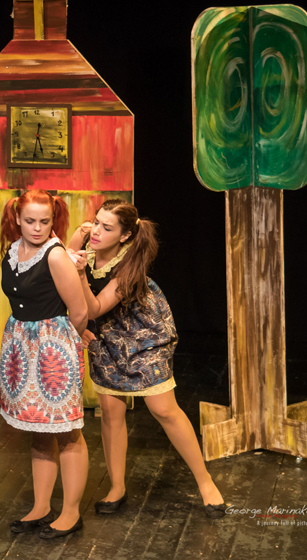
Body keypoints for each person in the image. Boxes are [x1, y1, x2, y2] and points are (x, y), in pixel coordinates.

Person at [66, 198, 226, 518]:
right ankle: (117, 487)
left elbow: (94, 307)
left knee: (163, 409)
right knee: (111, 412)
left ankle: (205, 482)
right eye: (96, 222)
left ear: (125, 235)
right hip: (106, 337)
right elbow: (61, 283)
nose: (96, 231)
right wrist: (75, 325)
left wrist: (80, 274)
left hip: (143, 337)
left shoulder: (128, 267)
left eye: (106, 227)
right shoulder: (85, 244)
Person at [0, 189, 93, 539]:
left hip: (53, 349)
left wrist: (63, 345)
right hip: (22, 346)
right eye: (30, 221)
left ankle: (71, 512)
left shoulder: (55, 256)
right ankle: (41, 506)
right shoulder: (12, 252)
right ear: (17, 219)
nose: (37, 228)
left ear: (53, 220)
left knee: (67, 431)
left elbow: (79, 312)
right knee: (39, 430)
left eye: (44, 221)